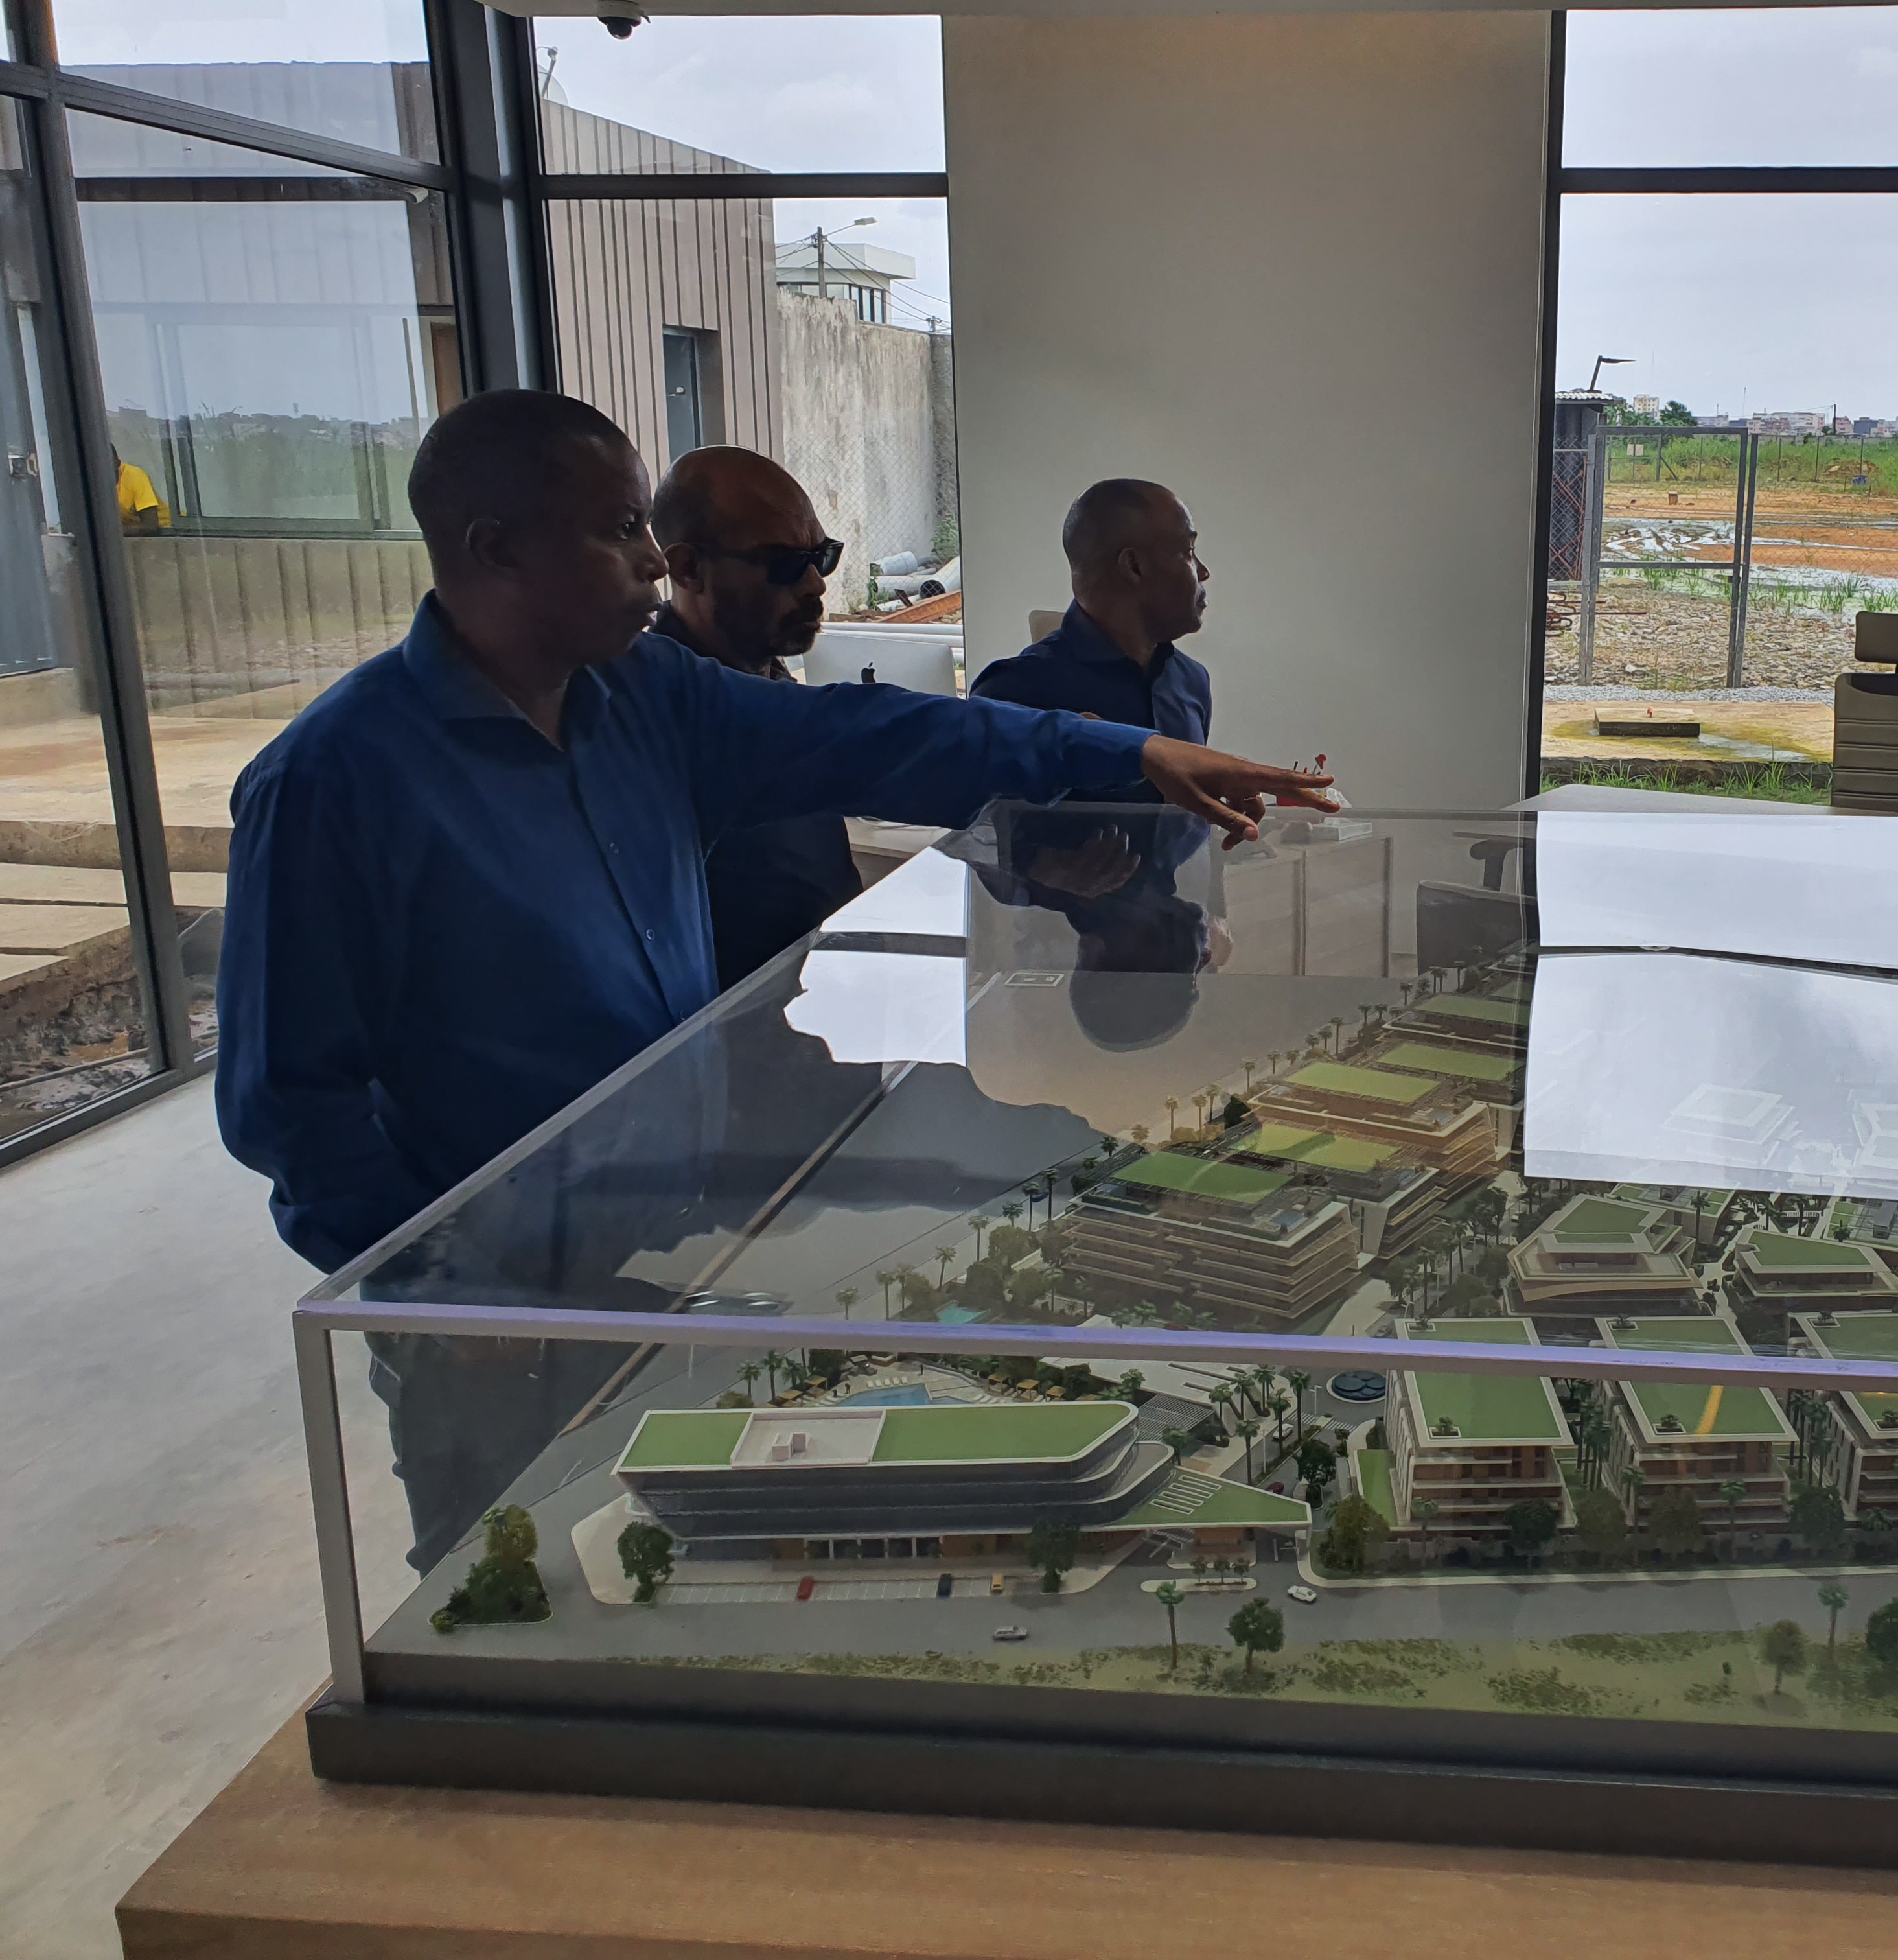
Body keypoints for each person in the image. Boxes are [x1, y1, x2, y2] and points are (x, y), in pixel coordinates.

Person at [216, 390, 1330, 1569]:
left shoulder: (649, 697)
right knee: (508, 1583)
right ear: (494, 548)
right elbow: (289, 1103)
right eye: (620, 531)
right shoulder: (336, 780)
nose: (655, 561)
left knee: (680, 1549)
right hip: (502, 1311)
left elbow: (882, 734)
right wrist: (443, 1296)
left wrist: (1129, 753)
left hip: (677, 1242)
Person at [646, 445, 861, 988]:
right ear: (688, 569)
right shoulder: (649, 721)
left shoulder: (776, 684)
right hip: (731, 1026)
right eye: (784, 564)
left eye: (823, 557)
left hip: (831, 1004)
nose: (815, 584)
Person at [968, 478, 1213, 787]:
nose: (1203, 572)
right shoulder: (1009, 694)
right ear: (1134, 566)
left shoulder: (1191, 681)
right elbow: (987, 815)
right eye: (1188, 551)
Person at [113, 448, 167, 534]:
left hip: (170, 531)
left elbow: (151, 526)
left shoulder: (135, 476)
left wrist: (112, 531)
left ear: (117, 463)